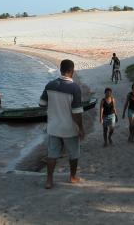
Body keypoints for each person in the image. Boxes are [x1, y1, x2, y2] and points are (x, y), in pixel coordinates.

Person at [39, 59, 84, 189]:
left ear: (60, 69)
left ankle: (49, 181)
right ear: (72, 71)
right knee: (73, 154)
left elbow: (42, 104)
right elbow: (76, 113)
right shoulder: (75, 88)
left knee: (52, 154)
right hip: (69, 128)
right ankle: (72, 177)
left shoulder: (50, 85)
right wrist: (81, 128)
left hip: (53, 126)